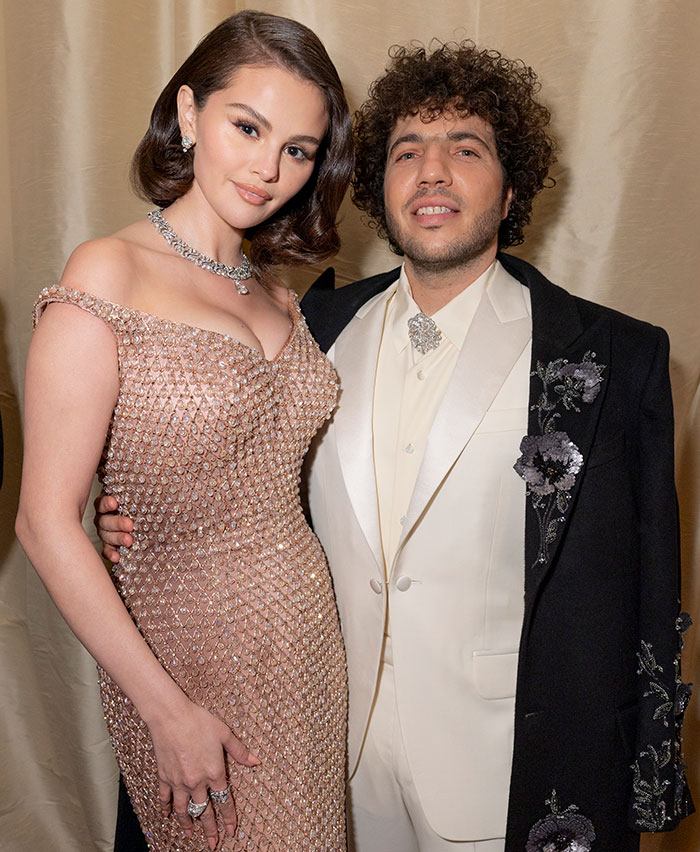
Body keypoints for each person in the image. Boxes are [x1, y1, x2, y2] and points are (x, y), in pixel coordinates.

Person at [98, 40, 694, 852]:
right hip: (316, 754)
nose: (433, 171)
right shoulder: (306, 327)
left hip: (510, 771)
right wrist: (135, 507)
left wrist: (651, 774)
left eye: (466, 149)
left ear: (512, 187)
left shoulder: (616, 356)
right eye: (407, 150)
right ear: (377, 183)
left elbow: (653, 583)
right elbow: (236, 472)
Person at [16, 10, 353, 852]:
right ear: (190, 112)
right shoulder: (109, 269)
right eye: (249, 127)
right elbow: (41, 519)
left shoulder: (280, 293)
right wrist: (163, 709)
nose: (270, 168)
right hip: (184, 662)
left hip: (307, 649)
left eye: (299, 150)